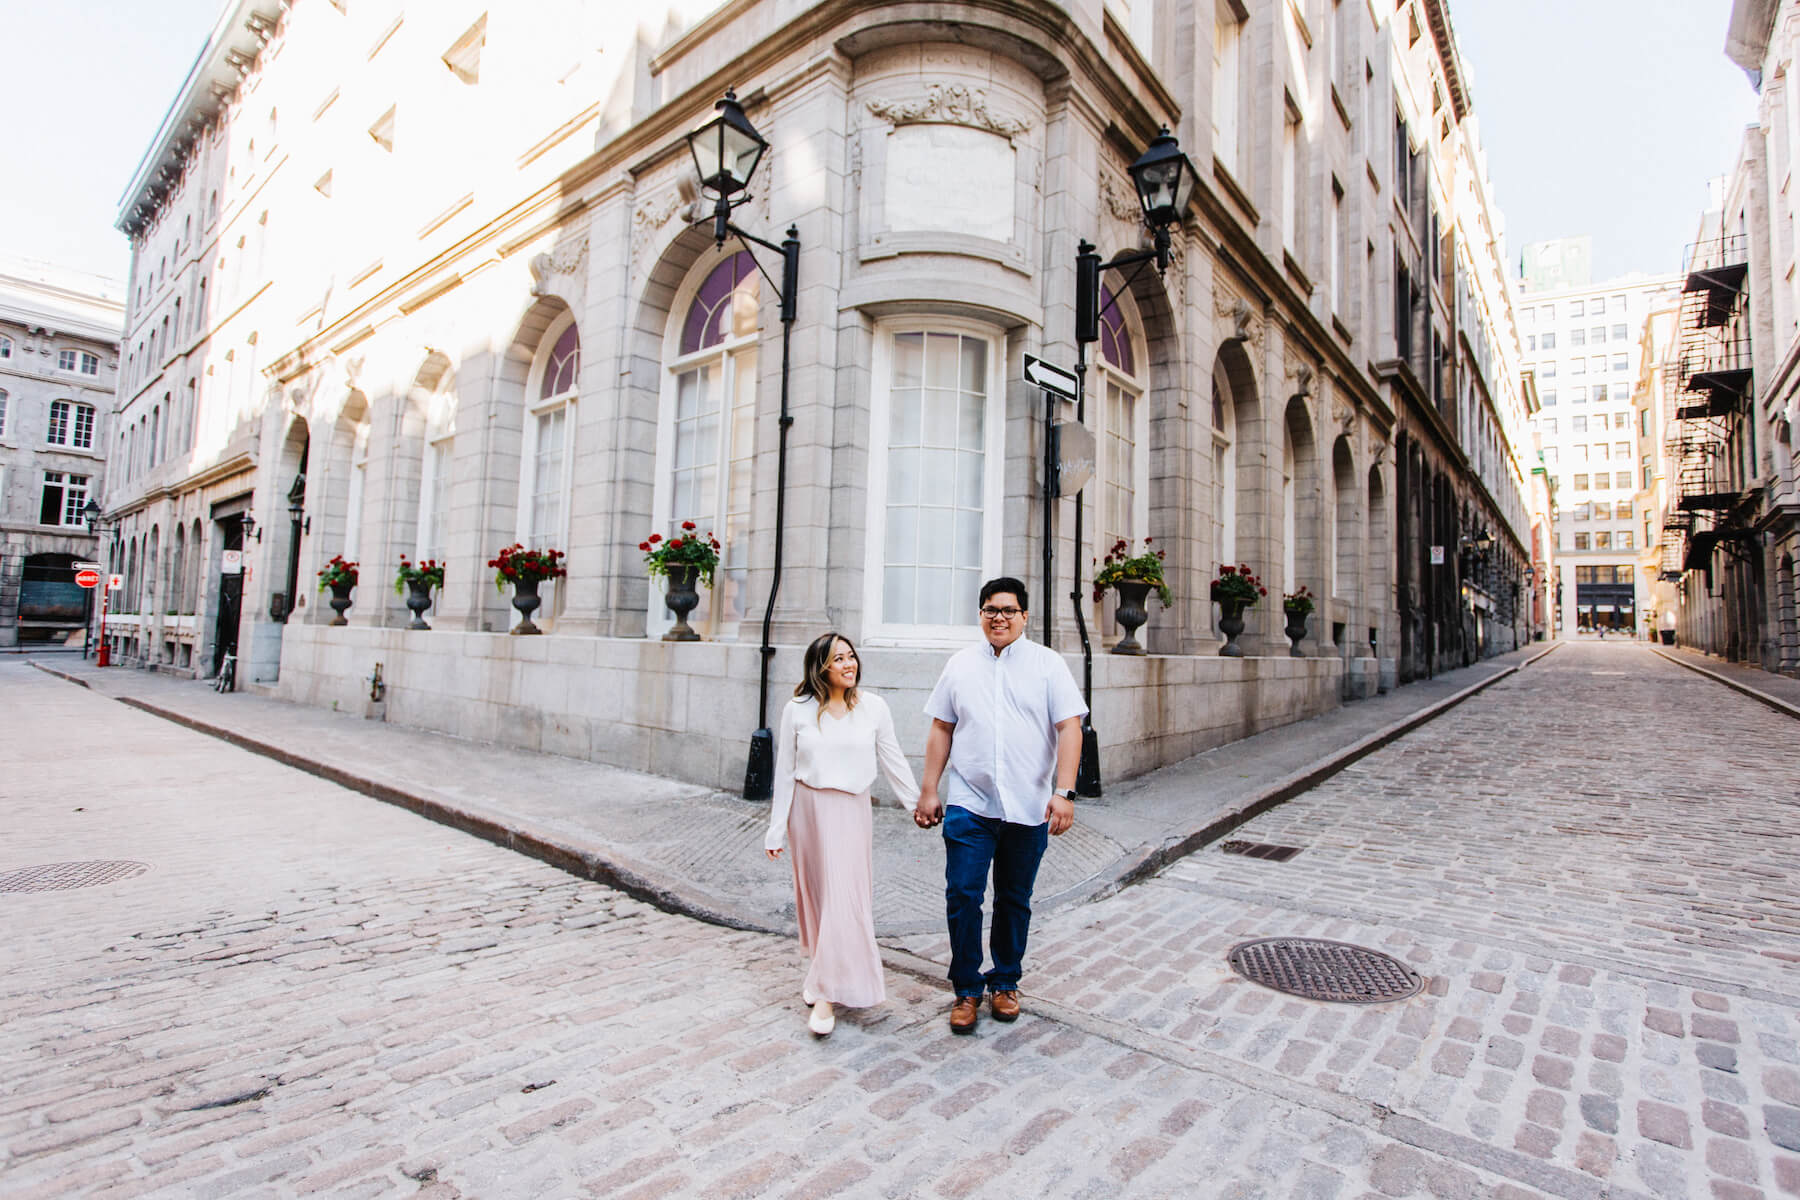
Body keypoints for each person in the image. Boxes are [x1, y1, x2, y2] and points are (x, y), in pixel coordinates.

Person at [914, 577, 1087, 1035]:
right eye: (991, 610)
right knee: (963, 895)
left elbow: (1071, 728)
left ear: (1025, 617)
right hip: (970, 804)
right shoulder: (960, 665)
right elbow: (941, 729)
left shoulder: (1048, 666)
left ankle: (1006, 981)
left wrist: (1064, 792)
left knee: (1014, 900)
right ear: (980, 615)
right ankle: (967, 989)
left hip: (1029, 807)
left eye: (1009, 610)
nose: (999, 618)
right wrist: (930, 789)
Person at [765, 632, 918, 1038]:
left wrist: (917, 804)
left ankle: (825, 993)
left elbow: (893, 759)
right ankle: (824, 978)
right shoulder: (798, 709)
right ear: (821, 668)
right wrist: (775, 828)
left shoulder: (873, 708)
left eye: (851, 656)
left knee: (845, 900)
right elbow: (784, 772)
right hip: (809, 811)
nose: (849, 664)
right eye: (838, 659)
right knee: (819, 898)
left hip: (852, 811)